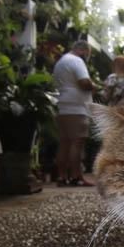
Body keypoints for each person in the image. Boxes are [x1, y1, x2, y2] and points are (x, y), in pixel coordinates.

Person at [53, 40, 95, 186]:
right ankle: (77, 176)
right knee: (77, 142)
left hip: (62, 106)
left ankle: (62, 176)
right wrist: (94, 86)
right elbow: (84, 83)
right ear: (82, 50)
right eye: (88, 54)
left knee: (64, 142)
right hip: (76, 108)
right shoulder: (77, 61)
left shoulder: (61, 61)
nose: (87, 58)